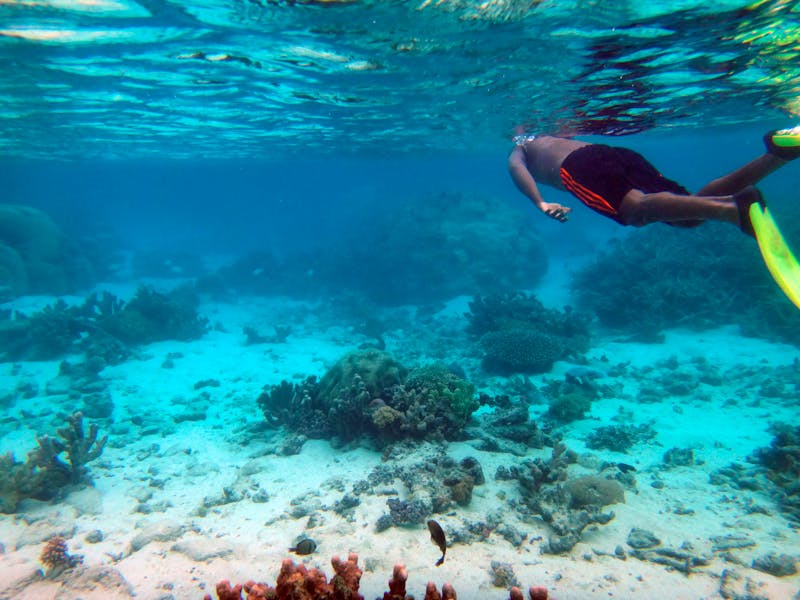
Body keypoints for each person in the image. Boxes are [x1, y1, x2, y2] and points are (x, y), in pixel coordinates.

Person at [508, 127, 800, 236]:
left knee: (636, 211)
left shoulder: (519, 149)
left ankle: (734, 210)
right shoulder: (556, 135)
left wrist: (540, 203)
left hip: (578, 166)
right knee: (690, 214)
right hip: (615, 154)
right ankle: (776, 156)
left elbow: (519, 171)